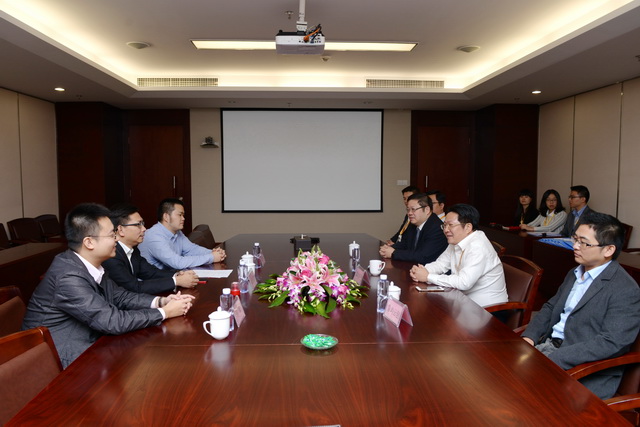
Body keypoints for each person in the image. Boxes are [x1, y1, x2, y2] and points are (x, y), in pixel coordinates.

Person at [22, 203, 195, 368]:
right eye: (112, 235)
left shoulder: (91, 264)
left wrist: (161, 301)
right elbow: (112, 321)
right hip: (61, 358)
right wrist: (165, 312)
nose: (117, 239)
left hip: (92, 341)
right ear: (89, 242)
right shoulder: (68, 276)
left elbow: (120, 296)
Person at [521, 212, 640, 399]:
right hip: (549, 347)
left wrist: (554, 358)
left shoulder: (625, 289)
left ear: (608, 250)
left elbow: (611, 342)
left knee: (521, 395)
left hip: (584, 369)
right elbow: (551, 307)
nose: (575, 246)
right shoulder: (575, 272)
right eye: (575, 239)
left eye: (584, 243)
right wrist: (530, 337)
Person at [409, 204, 508, 307]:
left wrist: (428, 276)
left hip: (487, 308)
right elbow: (440, 264)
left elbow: (464, 282)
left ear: (468, 227)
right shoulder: (457, 240)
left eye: (451, 225)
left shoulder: (478, 247)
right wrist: (421, 271)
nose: (446, 230)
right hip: (463, 300)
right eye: (444, 225)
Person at [103, 203, 200, 294]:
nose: (144, 229)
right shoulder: (111, 255)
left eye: (142, 224)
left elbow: (151, 273)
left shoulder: (133, 249)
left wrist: (178, 275)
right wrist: (176, 281)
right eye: (138, 224)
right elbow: (134, 287)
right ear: (120, 230)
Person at [139, 198, 226, 269]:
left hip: (171, 277)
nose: (183, 218)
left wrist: (213, 252)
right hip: (155, 283)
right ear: (166, 217)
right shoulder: (154, 236)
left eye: (183, 215)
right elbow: (177, 263)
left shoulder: (177, 232)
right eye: (180, 215)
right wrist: (211, 257)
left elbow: (192, 249)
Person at [379, 193, 448, 264]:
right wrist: (388, 249)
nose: (409, 213)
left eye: (413, 209)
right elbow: (404, 244)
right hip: (413, 265)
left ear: (427, 210)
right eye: (408, 209)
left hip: (429, 268)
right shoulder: (414, 223)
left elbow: (423, 256)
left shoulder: (437, 228)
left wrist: (394, 253)